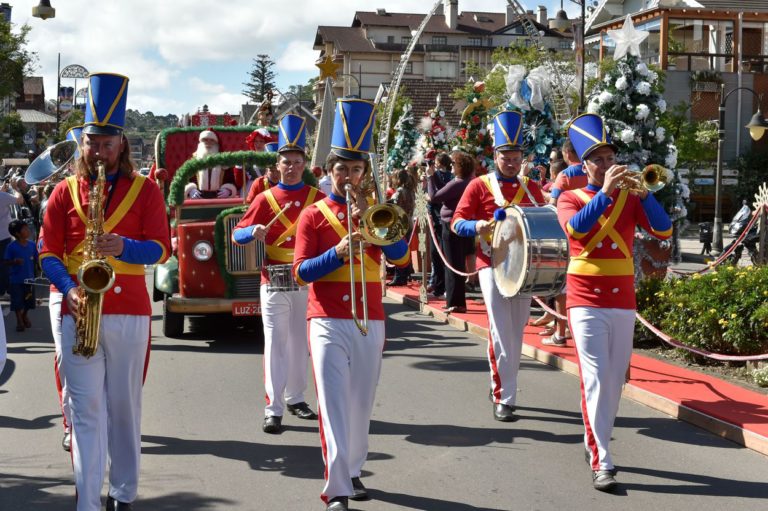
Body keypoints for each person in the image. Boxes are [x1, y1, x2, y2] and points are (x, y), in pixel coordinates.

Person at [40, 72, 171, 511]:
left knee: (124, 408)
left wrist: (123, 246)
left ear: (122, 144)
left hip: (130, 310)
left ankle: (123, 493)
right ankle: (88, 502)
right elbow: (47, 252)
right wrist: (68, 290)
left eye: (107, 144)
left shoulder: (146, 189)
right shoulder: (63, 191)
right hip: (79, 308)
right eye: (92, 143)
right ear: (83, 144)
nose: (98, 151)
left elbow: (160, 248)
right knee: (85, 413)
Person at [293, 98, 410, 511]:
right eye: (341, 168)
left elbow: (401, 259)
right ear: (329, 172)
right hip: (325, 318)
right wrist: (339, 253)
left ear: (365, 173)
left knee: (361, 402)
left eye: (356, 169)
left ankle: (354, 467)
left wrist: (373, 221)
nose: (348, 176)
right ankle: (337, 486)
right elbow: (301, 273)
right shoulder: (313, 216)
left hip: (370, 316)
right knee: (332, 402)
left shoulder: (378, 211)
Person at [556, 113, 671, 492]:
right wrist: (605, 192)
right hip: (584, 298)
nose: (607, 166)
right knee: (594, 377)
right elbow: (577, 230)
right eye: (598, 160)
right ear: (583, 164)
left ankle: (595, 441)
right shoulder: (570, 197)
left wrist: (646, 194)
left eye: (610, 159)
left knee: (613, 379)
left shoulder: (629, 196)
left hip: (622, 298)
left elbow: (664, 228)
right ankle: (602, 457)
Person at [452, 110, 544, 422]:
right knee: (501, 332)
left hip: (524, 270)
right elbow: (456, 223)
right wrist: (477, 226)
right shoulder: (479, 185)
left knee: (517, 332)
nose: (512, 162)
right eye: (506, 156)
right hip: (490, 264)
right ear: (495, 155)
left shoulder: (532, 188)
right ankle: (504, 397)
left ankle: (505, 387)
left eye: (517, 156)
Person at [232, 114, 321, 434]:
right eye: (286, 161)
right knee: (275, 342)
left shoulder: (317, 199)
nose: (292, 166)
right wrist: (252, 231)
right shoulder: (264, 198)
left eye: (298, 161)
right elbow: (237, 234)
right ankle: (274, 408)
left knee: (301, 342)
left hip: (306, 278)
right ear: (278, 163)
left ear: (304, 164)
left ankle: (296, 397)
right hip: (273, 277)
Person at [429, 150, 475, 313]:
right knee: (456, 263)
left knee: (452, 264)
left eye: (454, 163)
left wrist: (429, 177)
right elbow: (444, 190)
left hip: (451, 225)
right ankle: (455, 300)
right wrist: (434, 176)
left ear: (461, 166)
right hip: (460, 224)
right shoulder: (467, 181)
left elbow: (435, 196)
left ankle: (455, 302)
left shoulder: (458, 182)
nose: (452, 166)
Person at [425, 151, 452, 298]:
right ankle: (438, 286)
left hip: (440, 219)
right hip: (436, 219)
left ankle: (442, 288)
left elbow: (435, 196)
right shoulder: (444, 175)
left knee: (440, 255)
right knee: (437, 255)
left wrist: (431, 176)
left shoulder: (444, 176)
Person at [184, 130, 241, 199]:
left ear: (216, 143)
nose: (208, 143)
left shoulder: (224, 162)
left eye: (212, 140)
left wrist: (228, 190)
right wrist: (190, 190)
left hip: (219, 198)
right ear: (200, 142)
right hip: (198, 198)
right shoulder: (193, 160)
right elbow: (184, 179)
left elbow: (232, 181)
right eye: (205, 140)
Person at [5, 219, 37, 332]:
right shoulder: (11, 247)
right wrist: (14, 261)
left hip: (30, 279)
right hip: (16, 280)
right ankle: (19, 320)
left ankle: (24, 315)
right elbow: (6, 261)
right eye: (24, 229)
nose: (28, 230)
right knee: (17, 301)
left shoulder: (32, 245)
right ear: (17, 234)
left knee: (29, 301)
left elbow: (37, 260)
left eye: (27, 228)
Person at [386, 168, 416, 286]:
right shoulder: (411, 191)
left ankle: (400, 276)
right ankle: (408, 272)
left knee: (400, 249)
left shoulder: (399, 191)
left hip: (400, 221)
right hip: (409, 220)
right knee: (406, 246)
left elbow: (393, 204)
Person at [0, 180, 18, 296]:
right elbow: (19, 200)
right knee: (4, 264)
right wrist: (15, 188)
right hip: (3, 236)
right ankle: (4, 290)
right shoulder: (2, 196)